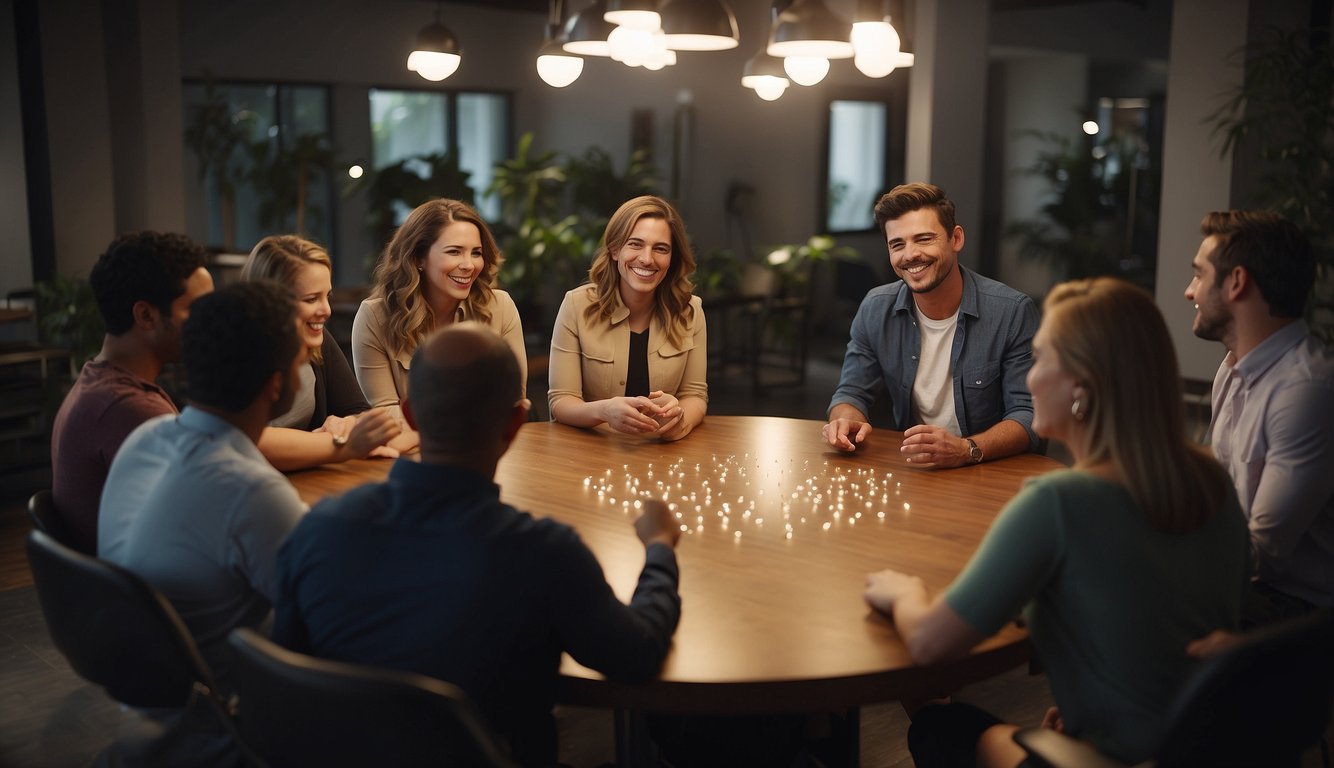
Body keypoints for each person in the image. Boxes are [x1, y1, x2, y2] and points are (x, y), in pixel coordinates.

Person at [863, 278, 1249, 767]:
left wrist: (903, 591)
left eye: (1042, 359)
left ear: (1081, 387)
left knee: (939, 725)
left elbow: (929, 642)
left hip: (1112, 758)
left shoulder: (1058, 503)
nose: (1028, 379)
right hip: (1200, 746)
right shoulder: (1213, 480)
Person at [274, 323, 682, 767]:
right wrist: (659, 548)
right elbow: (636, 656)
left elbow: (287, 669)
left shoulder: (319, 528)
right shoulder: (542, 553)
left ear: (410, 416)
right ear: (514, 421)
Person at [99, 281, 309, 684]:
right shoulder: (251, 491)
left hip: (149, 683)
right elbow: (328, 609)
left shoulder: (147, 439)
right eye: (299, 361)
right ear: (277, 383)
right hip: (226, 704)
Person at [1184, 210, 1334, 622]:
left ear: (1236, 282)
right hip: (1245, 583)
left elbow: (1261, 554)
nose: (1188, 291)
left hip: (1297, 615)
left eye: (1199, 274)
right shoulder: (1232, 369)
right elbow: (1218, 505)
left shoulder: (1308, 389)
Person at [823, 182, 1038, 468]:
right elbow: (851, 392)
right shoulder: (875, 307)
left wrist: (966, 449)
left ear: (956, 238)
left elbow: (1029, 414)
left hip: (990, 469)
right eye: (897, 244)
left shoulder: (1011, 311)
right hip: (917, 469)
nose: (910, 254)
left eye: (923, 239)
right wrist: (845, 420)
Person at [50, 231, 214, 555]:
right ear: (146, 315)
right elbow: (209, 512)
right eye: (198, 308)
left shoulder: (97, 381)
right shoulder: (129, 409)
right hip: (147, 597)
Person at [352, 198, 526, 448]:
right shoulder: (374, 316)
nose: (469, 265)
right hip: (410, 457)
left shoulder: (500, 307)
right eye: (454, 251)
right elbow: (386, 415)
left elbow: (513, 401)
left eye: (476, 253)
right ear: (418, 258)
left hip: (488, 452)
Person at [548, 195, 707, 440]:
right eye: (635, 244)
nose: (646, 258)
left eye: (660, 248)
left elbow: (695, 395)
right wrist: (604, 410)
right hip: (590, 453)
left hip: (662, 454)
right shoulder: (576, 305)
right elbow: (560, 401)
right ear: (614, 249)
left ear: (672, 258)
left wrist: (680, 418)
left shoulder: (691, 311)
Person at [240, 235, 405, 469]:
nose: (326, 311)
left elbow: (357, 411)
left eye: (327, 296)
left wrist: (343, 424)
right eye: (311, 299)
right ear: (270, 300)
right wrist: (336, 444)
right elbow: (248, 439)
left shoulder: (317, 339)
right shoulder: (236, 351)